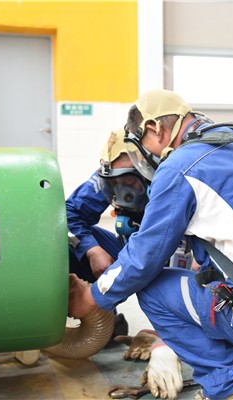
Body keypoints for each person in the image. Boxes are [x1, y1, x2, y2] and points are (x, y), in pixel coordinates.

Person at [68, 90, 233, 400]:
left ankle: (230, 386)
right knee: (222, 277)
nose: (145, 159)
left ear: (154, 128)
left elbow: (143, 259)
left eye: (142, 147)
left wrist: (92, 298)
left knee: (154, 290)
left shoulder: (179, 167)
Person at [66, 127, 149, 337]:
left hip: (169, 256)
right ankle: (102, 318)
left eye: (129, 181)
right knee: (65, 242)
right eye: (116, 181)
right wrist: (92, 250)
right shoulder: (110, 174)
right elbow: (69, 213)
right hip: (132, 249)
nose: (122, 188)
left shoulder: (167, 180)